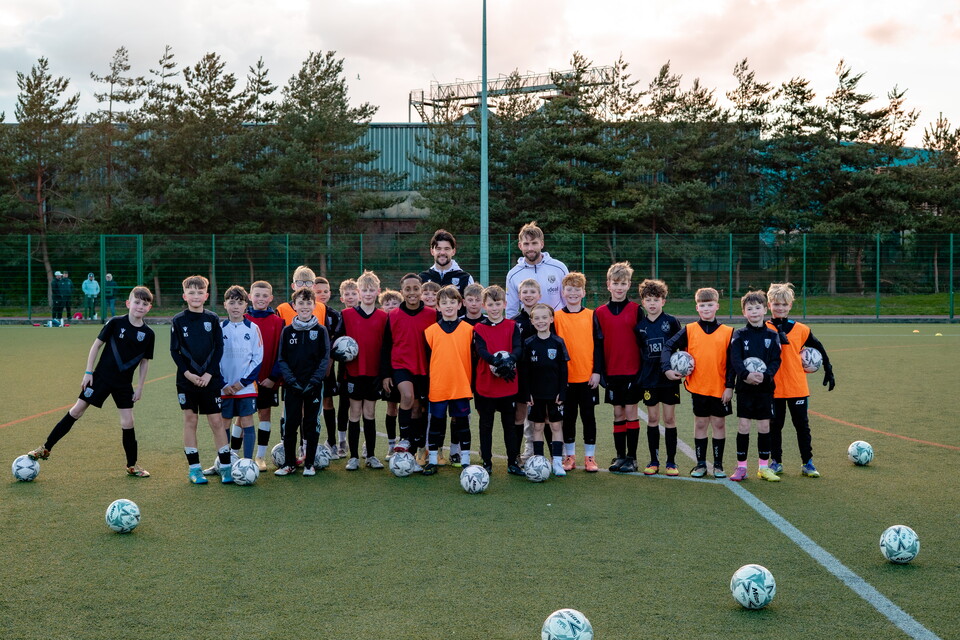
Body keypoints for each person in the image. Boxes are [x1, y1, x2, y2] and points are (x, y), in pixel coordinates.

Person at [27, 286, 156, 477]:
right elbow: (96, 345)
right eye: (136, 302)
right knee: (77, 410)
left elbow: (144, 362)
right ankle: (45, 448)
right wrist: (88, 372)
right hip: (101, 378)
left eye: (144, 304)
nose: (140, 306)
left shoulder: (148, 334)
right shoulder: (115, 323)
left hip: (123, 384)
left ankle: (132, 465)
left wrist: (140, 387)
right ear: (129, 303)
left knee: (128, 422)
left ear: (149, 308)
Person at [662, 287, 734, 479]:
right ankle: (701, 464)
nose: (706, 308)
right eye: (702, 305)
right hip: (699, 387)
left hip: (720, 389)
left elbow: (733, 363)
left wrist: (730, 386)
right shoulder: (689, 330)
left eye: (710, 305)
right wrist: (668, 369)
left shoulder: (728, 332)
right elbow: (668, 346)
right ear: (697, 307)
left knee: (719, 424)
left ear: (717, 306)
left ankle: (718, 466)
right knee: (701, 424)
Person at [766, 282, 836, 478]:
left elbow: (818, 346)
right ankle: (776, 462)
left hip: (797, 387)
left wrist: (828, 368)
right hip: (773, 388)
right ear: (769, 305)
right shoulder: (764, 328)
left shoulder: (802, 329)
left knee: (802, 426)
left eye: (784, 304)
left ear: (790, 306)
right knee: (775, 427)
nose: (780, 308)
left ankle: (808, 462)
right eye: (776, 304)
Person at [170, 275, 232, 484]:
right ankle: (195, 469)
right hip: (186, 380)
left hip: (209, 379)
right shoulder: (178, 320)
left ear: (206, 295)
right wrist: (187, 373)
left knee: (216, 421)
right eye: (191, 292)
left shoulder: (212, 318)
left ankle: (225, 467)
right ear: (184, 295)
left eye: (199, 292)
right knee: (191, 420)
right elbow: (174, 351)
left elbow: (219, 348)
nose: (195, 296)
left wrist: (208, 374)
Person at [594, 262, 645, 473]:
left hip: (632, 371)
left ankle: (632, 458)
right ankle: (620, 456)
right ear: (608, 285)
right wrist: (601, 371)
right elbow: (596, 344)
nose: (619, 287)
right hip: (612, 372)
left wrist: (641, 372)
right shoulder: (599, 313)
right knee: (617, 414)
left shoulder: (636, 310)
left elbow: (643, 344)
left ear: (629, 285)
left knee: (631, 412)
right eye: (615, 283)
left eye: (623, 283)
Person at [274, 287, 331, 476]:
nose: (305, 307)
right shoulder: (287, 331)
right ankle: (289, 464)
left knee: (311, 424)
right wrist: (291, 380)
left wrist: (315, 380)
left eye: (308, 303)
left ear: (314, 306)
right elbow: (282, 358)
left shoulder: (321, 331)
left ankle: (309, 464)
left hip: (313, 386)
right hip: (293, 386)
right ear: (294, 306)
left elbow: (324, 358)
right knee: (291, 424)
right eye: (301, 303)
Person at [381, 274, 436, 466]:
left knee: (418, 409)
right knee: (407, 396)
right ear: (402, 291)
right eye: (407, 289)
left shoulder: (432, 314)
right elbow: (387, 345)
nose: (412, 293)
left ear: (421, 290)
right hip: (401, 365)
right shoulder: (393, 315)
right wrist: (386, 373)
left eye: (415, 288)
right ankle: (404, 438)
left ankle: (417, 446)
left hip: (424, 368)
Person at [728, 290, 783, 482]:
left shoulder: (772, 335)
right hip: (745, 388)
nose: (754, 312)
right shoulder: (739, 335)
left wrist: (766, 376)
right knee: (743, 425)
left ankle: (763, 467)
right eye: (749, 309)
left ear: (765, 309)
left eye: (757, 308)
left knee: (764, 425)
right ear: (744, 312)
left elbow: (776, 360)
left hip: (765, 388)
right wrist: (745, 375)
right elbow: (735, 359)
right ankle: (741, 467)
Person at [422, 285, 474, 476]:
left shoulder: (469, 330)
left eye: (452, 302)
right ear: (437, 307)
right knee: (436, 423)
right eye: (444, 303)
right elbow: (428, 361)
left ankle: (466, 460)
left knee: (462, 423)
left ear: (460, 304)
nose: (449, 306)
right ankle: (433, 460)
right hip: (438, 386)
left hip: (460, 384)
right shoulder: (430, 331)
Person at [553, 272, 601, 473]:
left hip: (587, 377)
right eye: (569, 289)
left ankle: (590, 457)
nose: (572, 293)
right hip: (566, 379)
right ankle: (570, 456)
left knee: (589, 417)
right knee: (569, 418)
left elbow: (598, 345)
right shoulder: (556, 317)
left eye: (576, 289)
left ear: (583, 292)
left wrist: (597, 371)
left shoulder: (592, 315)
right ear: (563, 292)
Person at [472, 285, 523, 474]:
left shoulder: (512, 326)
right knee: (486, 425)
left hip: (508, 384)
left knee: (509, 425)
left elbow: (518, 348)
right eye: (491, 304)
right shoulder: (479, 327)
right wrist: (495, 361)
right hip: (486, 385)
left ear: (505, 304)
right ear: (484, 306)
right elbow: (481, 350)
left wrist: (510, 361)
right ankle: (487, 461)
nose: (494, 308)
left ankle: (512, 461)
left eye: (498, 304)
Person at [341, 270, 389, 470]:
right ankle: (353, 457)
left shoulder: (384, 317)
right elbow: (338, 345)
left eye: (371, 290)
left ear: (378, 292)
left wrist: (384, 373)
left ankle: (370, 455)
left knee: (369, 413)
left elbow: (387, 347)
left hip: (374, 374)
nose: (368, 294)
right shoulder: (346, 315)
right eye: (364, 290)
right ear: (358, 293)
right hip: (353, 372)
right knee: (355, 412)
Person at [635, 279, 683, 477]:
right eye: (648, 299)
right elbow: (640, 353)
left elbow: (679, 350)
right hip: (649, 379)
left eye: (656, 299)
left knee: (669, 418)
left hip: (668, 378)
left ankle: (671, 462)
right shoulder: (640, 327)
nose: (652, 303)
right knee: (653, 418)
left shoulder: (671, 322)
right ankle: (654, 461)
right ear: (643, 302)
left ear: (663, 301)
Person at [520, 303, 570, 477]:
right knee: (538, 426)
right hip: (536, 394)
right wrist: (527, 393)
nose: (541, 321)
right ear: (532, 321)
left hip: (554, 393)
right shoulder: (528, 343)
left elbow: (564, 370)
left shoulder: (557, 342)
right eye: (537, 318)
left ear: (551, 319)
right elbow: (525, 371)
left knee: (556, 425)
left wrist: (562, 391)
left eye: (544, 317)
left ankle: (557, 462)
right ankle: (540, 461)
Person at [218, 286, 263, 464]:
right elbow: (214, 359)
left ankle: (247, 462)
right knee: (224, 423)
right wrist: (223, 383)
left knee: (247, 421)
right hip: (225, 387)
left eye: (240, 303)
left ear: (246, 305)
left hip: (246, 387)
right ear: (225, 305)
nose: (235, 307)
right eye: (231, 303)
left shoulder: (253, 328)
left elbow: (258, 358)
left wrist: (242, 383)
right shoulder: (219, 328)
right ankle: (224, 462)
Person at [245, 280, 285, 471]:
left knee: (264, 413)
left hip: (267, 380)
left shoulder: (278, 322)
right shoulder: (242, 318)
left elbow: (281, 352)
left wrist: (273, 377)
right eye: (257, 295)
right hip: (244, 381)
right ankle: (236, 455)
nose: (260, 299)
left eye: (264, 296)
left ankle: (260, 457)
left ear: (270, 298)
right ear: (249, 297)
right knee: (242, 416)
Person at [505, 221, 568, 317]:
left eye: (534, 243)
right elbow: (511, 310)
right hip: (528, 327)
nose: (530, 248)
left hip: (557, 323)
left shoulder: (559, 268)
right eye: (526, 244)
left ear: (542, 244)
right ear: (520, 246)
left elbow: (568, 301)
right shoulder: (513, 274)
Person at [315, 276, 344, 459]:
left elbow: (337, 343)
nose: (323, 294)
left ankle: (332, 442)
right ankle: (307, 443)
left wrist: (329, 363)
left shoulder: (334, 315)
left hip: (327, 367)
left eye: (326, 291)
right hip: (308, 367)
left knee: (327, 402)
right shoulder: (306, 310)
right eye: (318, 292)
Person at [335, 278, 360, 456]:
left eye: (353, 293)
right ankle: (342, 440)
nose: (350, 297)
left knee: (365, 407)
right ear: (342, 298)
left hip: (365, 368)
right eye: (347, 294)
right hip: (345, 370)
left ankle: (365, 443)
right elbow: (335, 340)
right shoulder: (341, 316)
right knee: (344, 405)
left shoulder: (367, 313)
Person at [378, 289, 403, 455]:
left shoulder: (402, 321)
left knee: (406, 407)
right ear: (382, 307)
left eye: (395, 303)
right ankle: (391, 444)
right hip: (389, 370)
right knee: (391, 407)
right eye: (387, 304)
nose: (391, 306)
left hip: (403, 368)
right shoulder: (380, 322)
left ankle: (404, 441)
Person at [419, 229, 474, 298]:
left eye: (446, 249)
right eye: (438, 249)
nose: (442, 252)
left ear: (453, 251)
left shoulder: (465, 278)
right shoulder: (421, 278)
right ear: (432, 251)